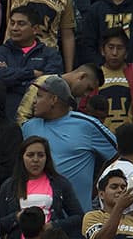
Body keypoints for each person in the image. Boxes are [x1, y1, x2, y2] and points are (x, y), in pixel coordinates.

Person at [21, 76, 118, 209]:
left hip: (77, 217)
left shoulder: (86, 125)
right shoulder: (28, 127)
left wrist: (98, 185)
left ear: (53, 99)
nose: (34, 102)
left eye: (39, 96)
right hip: (39, 217)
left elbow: (118, 154)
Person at [0, 137, 83, 239]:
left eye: (40, 155)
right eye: (30, 155)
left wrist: (53, 226)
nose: (35, 160)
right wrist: (17, 217)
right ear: (22, 157)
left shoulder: (60, 183)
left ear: (47, 158)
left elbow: (79, 217)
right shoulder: (9, 186)